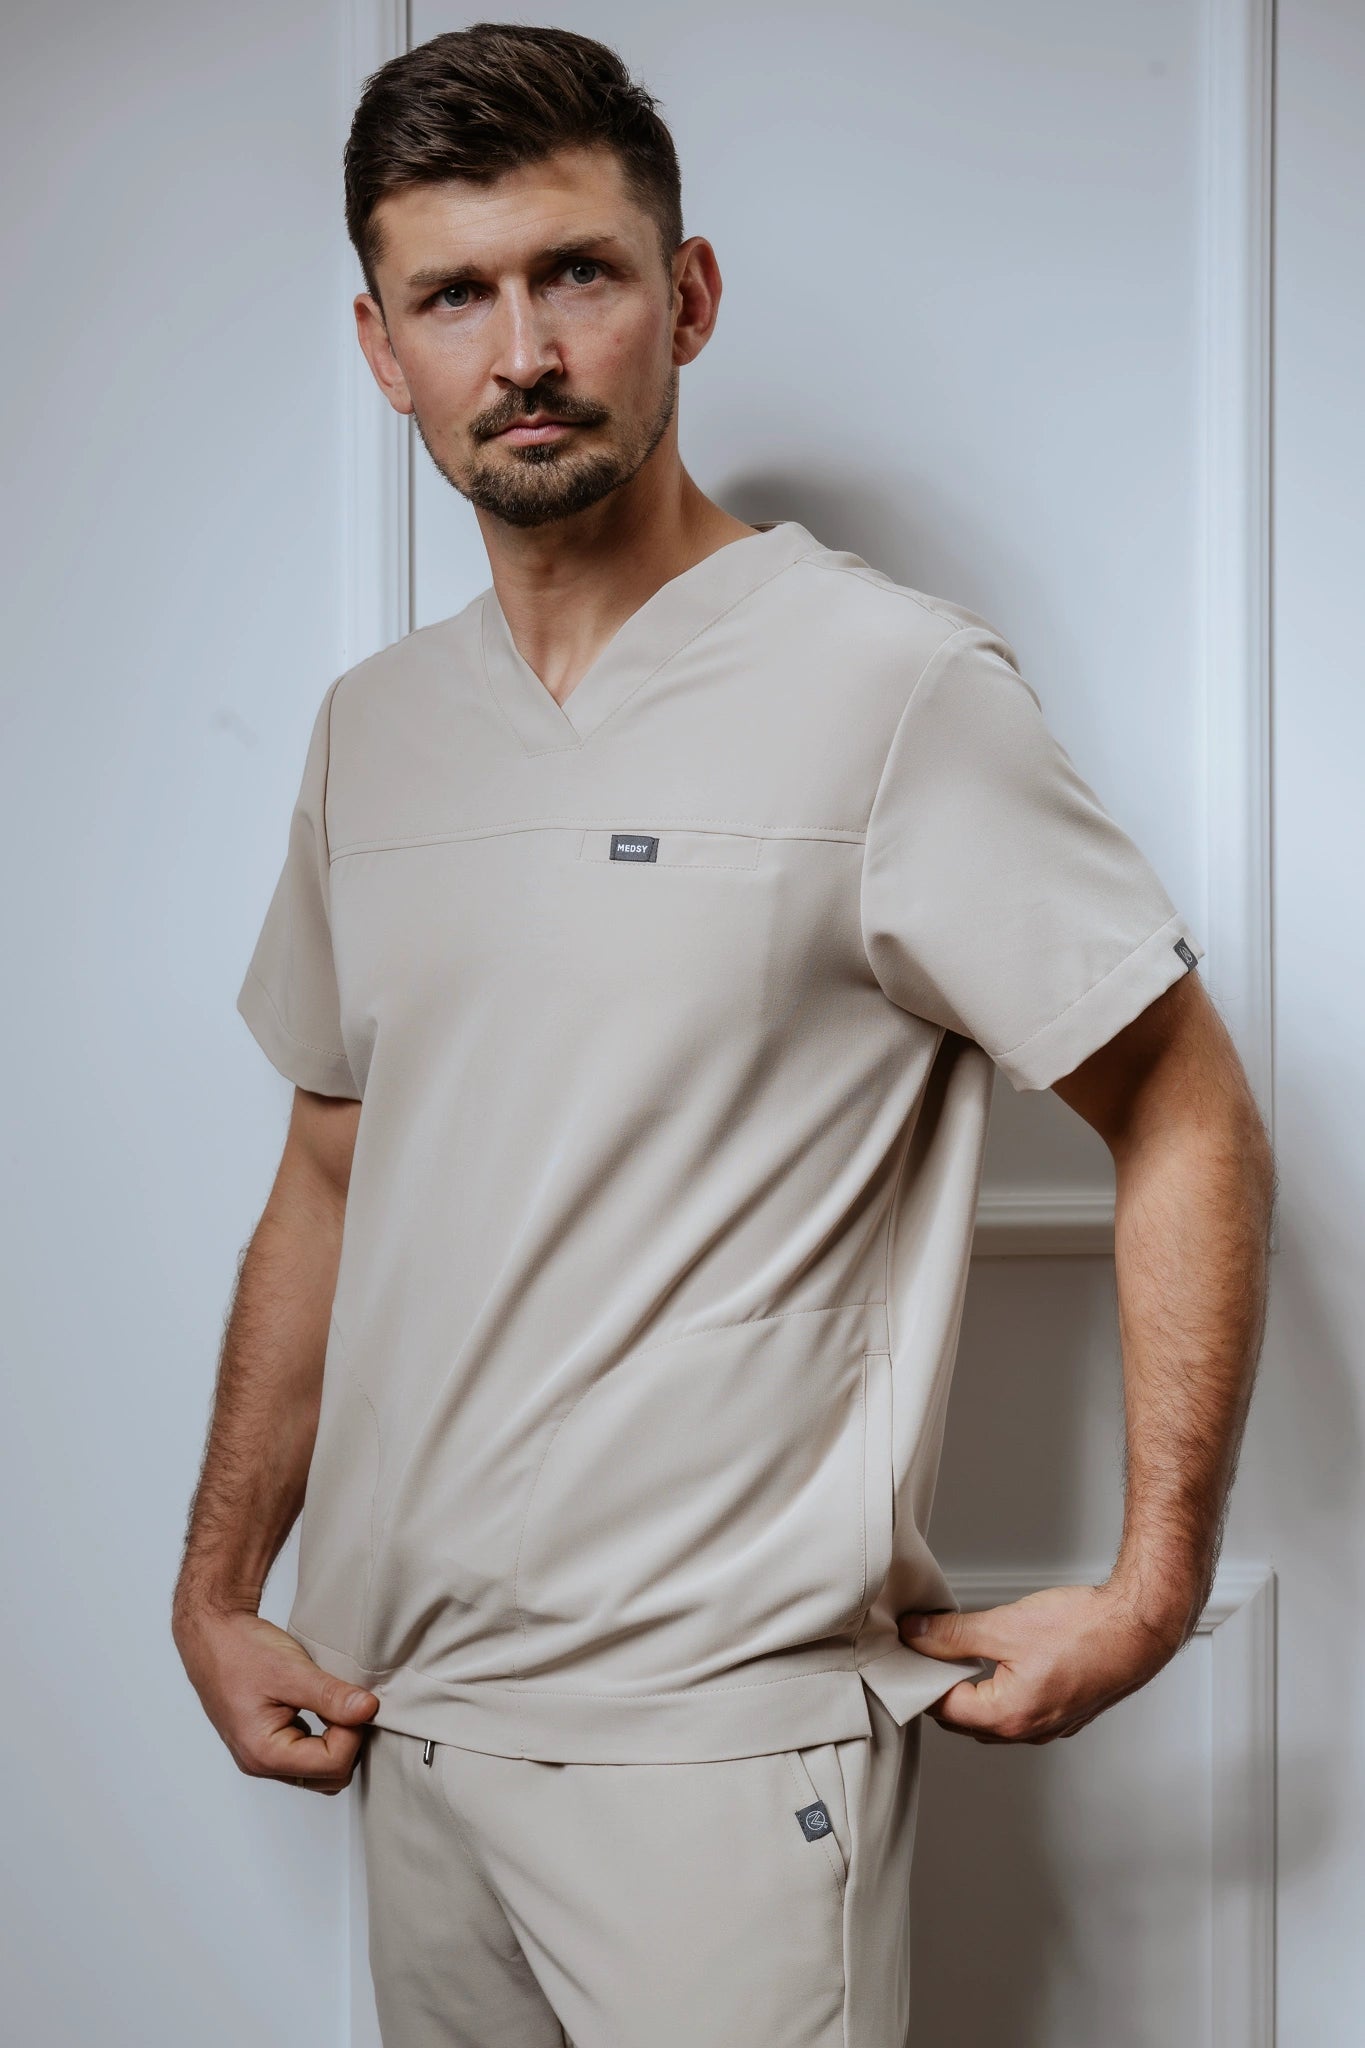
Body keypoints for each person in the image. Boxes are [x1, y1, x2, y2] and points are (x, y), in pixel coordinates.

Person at [172, 22, 1275, 2045]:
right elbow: (329, 1171)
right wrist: (219, 1587)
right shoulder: (370, 735)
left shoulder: (890, 689)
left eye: (574, 275)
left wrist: (1150, 1582)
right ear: (382, 348)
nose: (521, 351)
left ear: (683, 298)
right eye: (454, 296)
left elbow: (1181, 1102)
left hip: (721, 1756)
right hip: (409, 1724)